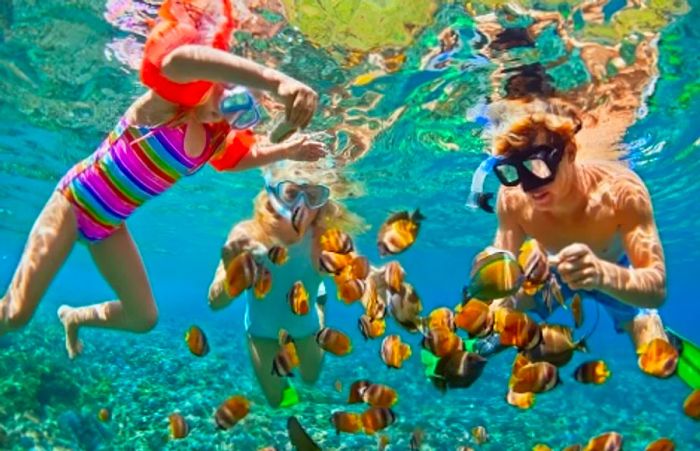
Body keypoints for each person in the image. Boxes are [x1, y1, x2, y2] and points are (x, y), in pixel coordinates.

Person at [0, 0, 326, 358]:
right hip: (74, 203)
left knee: (143, 318)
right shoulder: (166, 106)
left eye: (243, 107)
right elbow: (177, 61)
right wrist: (277, 81)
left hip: (108, 225)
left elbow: (237, 159)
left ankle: (74, 317)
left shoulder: (213, 138)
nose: (229, 102)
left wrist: (285, 150)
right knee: (15, 314)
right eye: (228, 88)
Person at [467, 97, 676, 377]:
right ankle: (514, 336)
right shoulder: (513, 198)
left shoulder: (621, 191)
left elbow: (657, 287)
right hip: (551, 271)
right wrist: (496, 295)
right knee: (505, 306)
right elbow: (501, 267)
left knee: (655, 357)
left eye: (537, 166)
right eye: (513, 171)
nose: (529, 187)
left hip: (616, 269)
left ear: (569, 153)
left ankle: (646, 325)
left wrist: (602, 275)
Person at [207, 163, 367, 407]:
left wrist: (376, 287)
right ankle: (312, 307)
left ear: (321, 204)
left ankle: (318, 305)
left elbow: (360, 277)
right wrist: (231, 266)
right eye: (291, 194)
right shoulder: (248, 234)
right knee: (278, 400)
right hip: (261, 328)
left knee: (311, 378)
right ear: (273, 194)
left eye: (312, 196)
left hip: (305, 321)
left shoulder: (325, 238)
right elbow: (215, 303)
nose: (300, 207)